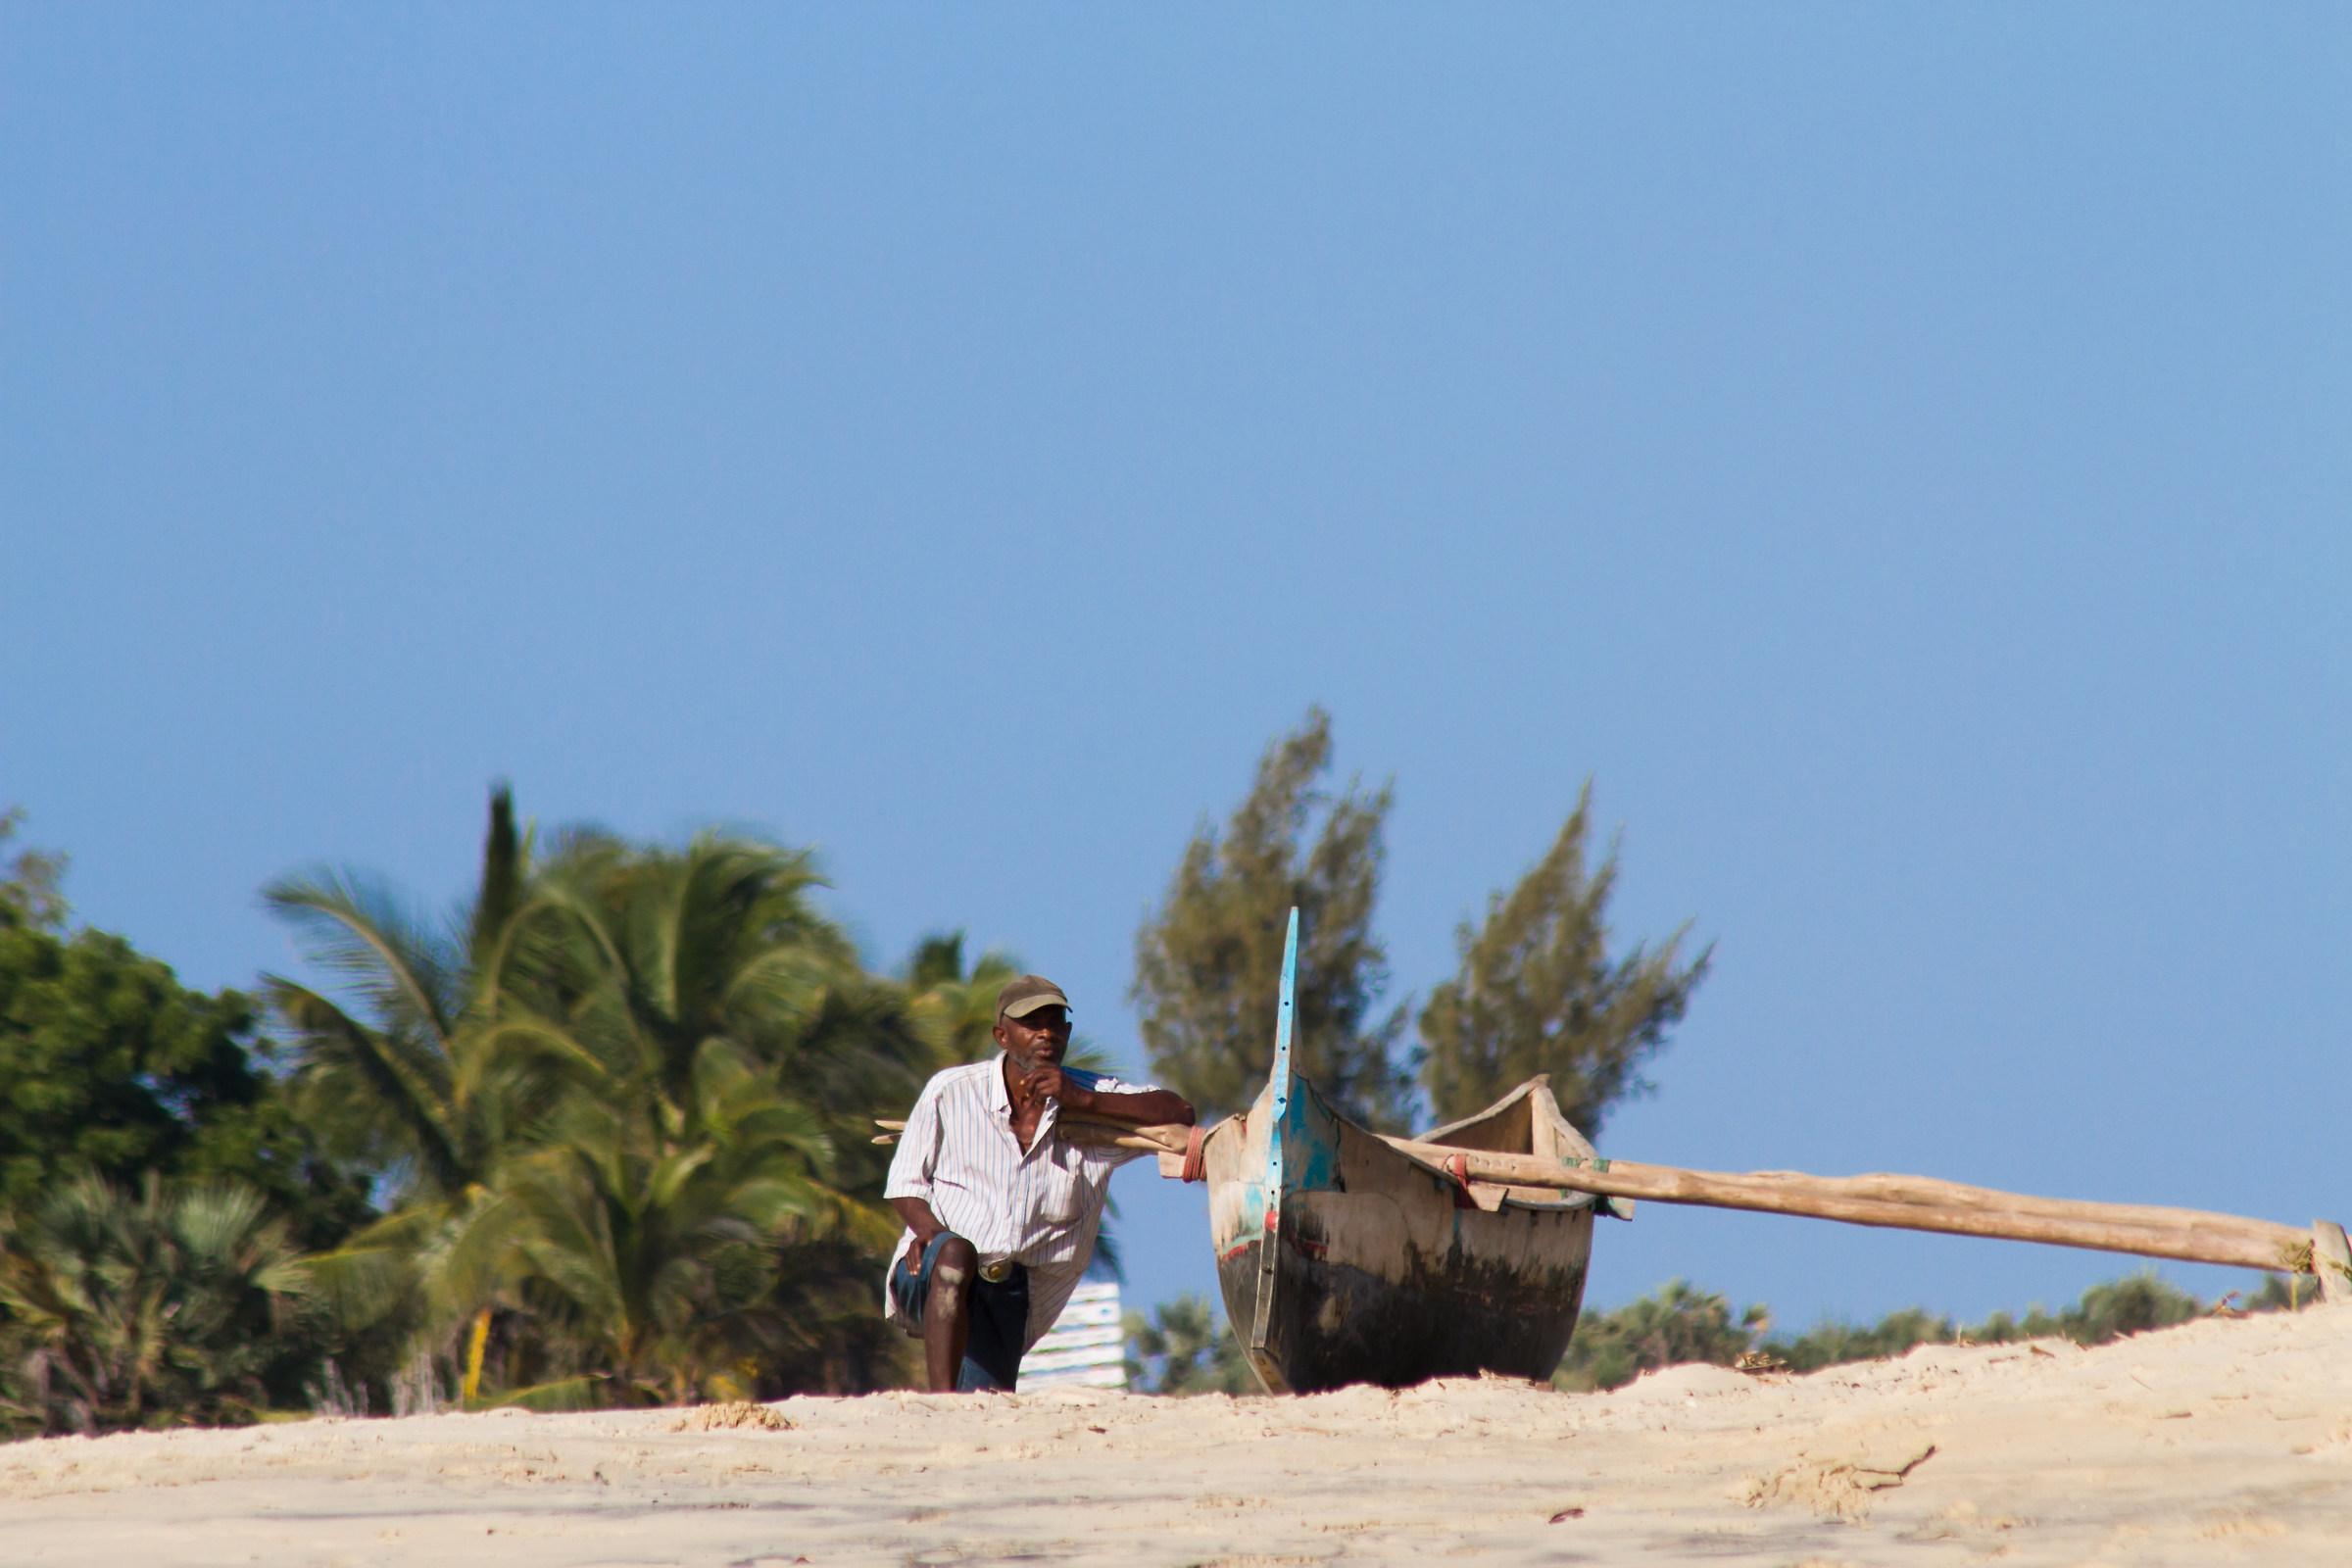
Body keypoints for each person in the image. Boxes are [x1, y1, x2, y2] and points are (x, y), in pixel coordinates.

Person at [883, 973, 1195, 1392]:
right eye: (1032, 1024)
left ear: (1066, 1033)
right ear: (1003, 1036)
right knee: (956, 1255)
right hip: (931, 1267)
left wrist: (1085, 1101)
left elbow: (1180, 1113)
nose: (1045, 1033)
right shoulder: (951, 1091)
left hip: (1010, 1296)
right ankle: (943, 1407)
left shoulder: (1091, 1097)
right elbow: (905, 1182)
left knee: (986, 1408)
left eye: (1054, 1022)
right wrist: (929, 1233)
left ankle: (956, 1421)